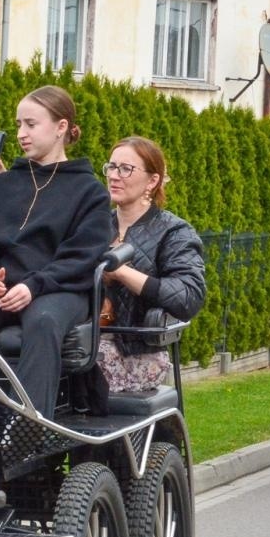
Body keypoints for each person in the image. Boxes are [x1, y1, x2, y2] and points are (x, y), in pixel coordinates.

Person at [0, 85, 111, 413]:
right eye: (18, 124)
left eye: (31, 125)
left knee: (43, 322)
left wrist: (34, 285)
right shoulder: (0, 185)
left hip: (58, 288)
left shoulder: (89, 192)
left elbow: (82, 257)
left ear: (61, 127)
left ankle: (29, 431)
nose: (21, 133)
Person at [98, 136, 207, 393]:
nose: (114, 175)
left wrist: (122, 273)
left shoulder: (174, 232)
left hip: (137, 352)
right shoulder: (95, 224)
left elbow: (188, 296)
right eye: (111, 167)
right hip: (85, 339)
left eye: (126, 169)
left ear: (153, 180)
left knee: (82, 368)